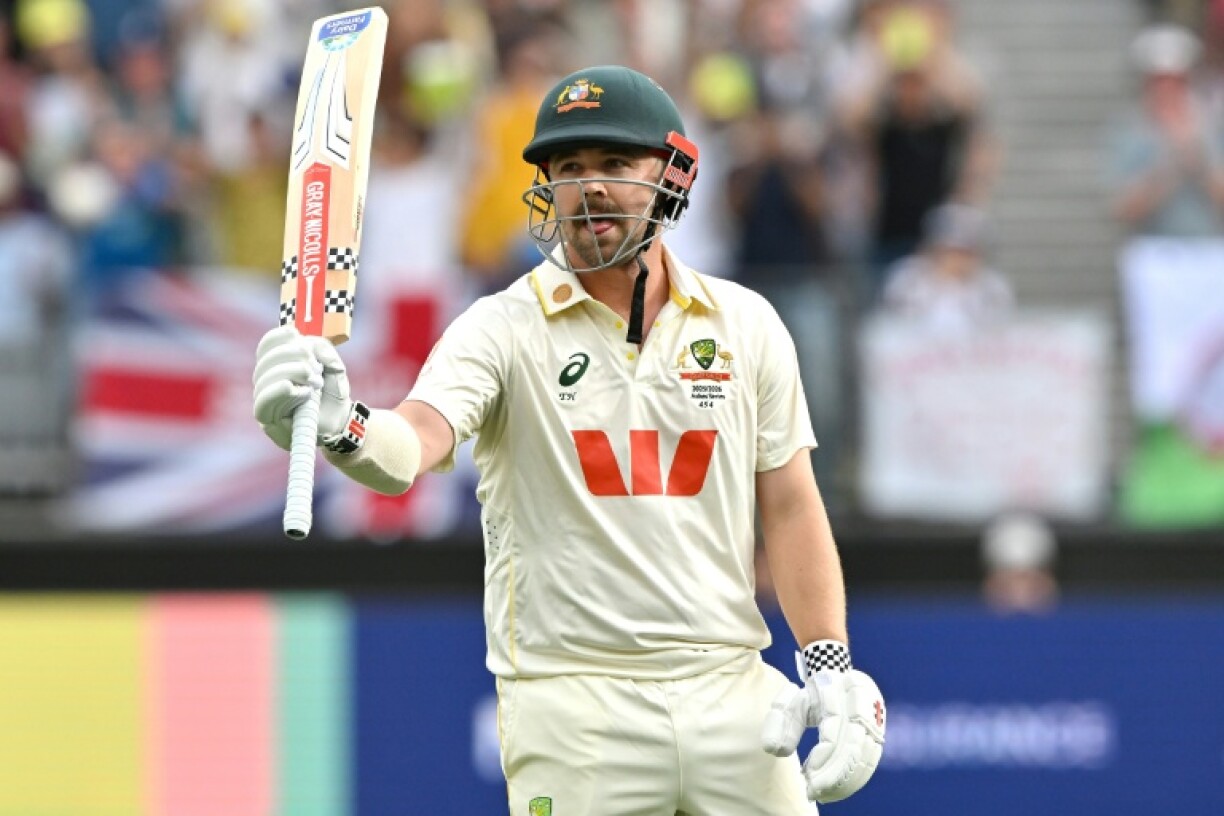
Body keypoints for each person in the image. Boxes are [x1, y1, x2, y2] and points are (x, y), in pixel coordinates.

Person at [254, 65, 885, 814]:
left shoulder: (745, 325)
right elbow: (411, 446)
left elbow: (788, 505)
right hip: (573, 706)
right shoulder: (501, 327)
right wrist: (343, 425)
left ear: (675, 175)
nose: (588, 188)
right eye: (569, 169)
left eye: (616, 165)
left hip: (734, 691)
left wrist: (829, 663)